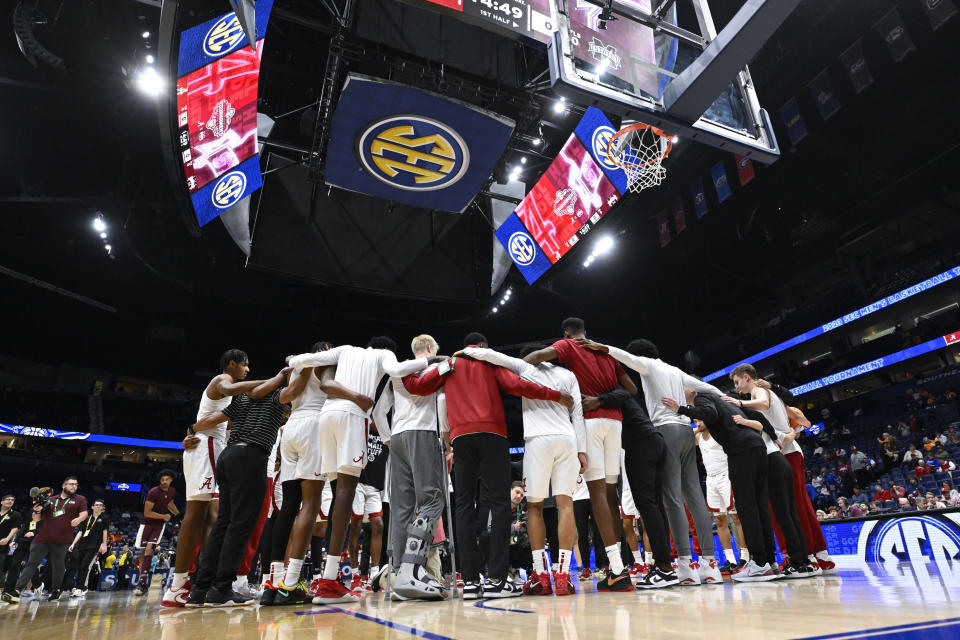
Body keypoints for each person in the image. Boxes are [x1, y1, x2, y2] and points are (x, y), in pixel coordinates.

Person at [403, 332, 573, 599]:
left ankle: (470, 581)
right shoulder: (490, 362)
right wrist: (555, 395)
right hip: (493, 435)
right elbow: (517, 386)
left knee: (463, 505)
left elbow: (418, 387)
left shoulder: (449, 365)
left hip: (461, 437)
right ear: (483, 347)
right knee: (499, 504)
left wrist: (429, 361)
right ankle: (496, 579)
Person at [286, 337, 440, 604]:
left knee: (336, 496)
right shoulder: (383, 355)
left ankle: (311, 579)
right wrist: (430, 361)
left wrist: (293, 361)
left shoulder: (345, 349)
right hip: (351, 416)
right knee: (345, 494)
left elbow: (304, 360)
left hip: (326, 417)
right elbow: (396, 370)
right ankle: (330, 581)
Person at [573, 337, 723, 586]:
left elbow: (630, 359)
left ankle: (683, 564)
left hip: (665, 430)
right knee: (696, 497)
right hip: (686, 431)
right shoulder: (675, 370)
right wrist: (729, 399)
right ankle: (710, 565)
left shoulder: (650, 366)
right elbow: (705, 387)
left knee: (672, 499)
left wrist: (605, 348)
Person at [522, 319, 639, 591]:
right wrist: (604, 397)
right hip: (616, 423)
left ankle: (618, 571)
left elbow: (535, 357)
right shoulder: (604, 350)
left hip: (590, 423)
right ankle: (615, 567)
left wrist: (528, 369)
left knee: (595, 495)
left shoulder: (568, 345)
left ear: (566, 333)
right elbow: (631, 390)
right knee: (612, 496)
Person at [461, 342, 586, 596]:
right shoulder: (568, 375)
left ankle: (541, 576)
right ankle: (563, 576)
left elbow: (488, 353)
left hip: (538, 441)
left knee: (534, 507)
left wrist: (464, 352)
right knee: (566, 505)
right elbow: (579, 412)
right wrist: (582, 450)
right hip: (567, 438)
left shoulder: (523, 366)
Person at [263, 341, 374, 607]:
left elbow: (284, 397)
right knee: (310, 505)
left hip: (289, 429)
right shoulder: (324, 364)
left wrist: (296, 365)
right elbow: (324, 387)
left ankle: (272, 583)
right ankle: (289, 584)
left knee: (288, 507)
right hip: (312, 425)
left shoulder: (297, 365)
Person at [162, 349, 265, 607]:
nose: (247, 370)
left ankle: (204, 582)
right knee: (196, 515)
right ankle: (177, 585)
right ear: (232, 364)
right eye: (245, 365)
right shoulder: (222, 380)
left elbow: (219, 420)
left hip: (209, 445)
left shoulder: (224, 395)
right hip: (206, 446)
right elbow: (232, 391)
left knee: (211, 517)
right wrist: (270, 381)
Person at [186, 367, 296, 607]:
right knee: (241, 525)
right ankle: (223, 588)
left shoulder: (243, 397)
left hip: (228, 457)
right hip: (251, 457)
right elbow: (296, 391)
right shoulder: (279, 395)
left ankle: (200, 589)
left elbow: (213, 420)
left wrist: (192, 429)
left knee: (222, 524)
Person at [663, 389, 778, 582]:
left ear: (691, 388)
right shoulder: (722, 400)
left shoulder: (703, 398)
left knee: (746, 509)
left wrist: (681, 409)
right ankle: (769, 561)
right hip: (756, 447)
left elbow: (709, 414)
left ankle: (758, 563)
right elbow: (756, 417)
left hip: (740, 452)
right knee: (759, 507)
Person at [374, 334, 450, 601]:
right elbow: (441, 402)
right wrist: (447, 436)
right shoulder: (435, 366)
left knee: (402, 508)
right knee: (432, 500)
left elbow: (377, 412)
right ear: (431, 349)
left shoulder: (399, 372)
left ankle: (396, 577)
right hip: (423, 433)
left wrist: (387, 439)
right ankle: (411, 568)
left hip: (397, 438)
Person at [751, 377, 838, 574]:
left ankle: (806, 555)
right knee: (798, 505)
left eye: (739, 382)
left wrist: (788, 434)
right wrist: (791, 432)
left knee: (790, 507)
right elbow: (804, 422)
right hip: (786, 453)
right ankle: (818, 555)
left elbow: (804, 422)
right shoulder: (774, 399)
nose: (738, 387)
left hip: (782, 454)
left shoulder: (762, 400)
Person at [10, 476, 88, 601]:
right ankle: (17, 591)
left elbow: (84, 513)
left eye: (76, 484)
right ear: (63, 485)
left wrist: (79, 519)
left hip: (62, 539)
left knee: (58, 566)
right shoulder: (51, 500)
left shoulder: (80, 499)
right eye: (71, 484)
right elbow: (37, 519)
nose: (74, 486)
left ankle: (56, 590)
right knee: (31, 563)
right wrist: (36, 512)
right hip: (42, 538)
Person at [695, 421, 747, 575]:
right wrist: (698, 427)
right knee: (719, 520)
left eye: (700, 420)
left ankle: (744, 558)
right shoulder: (697, 436)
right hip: (710, 479)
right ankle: (730, 561)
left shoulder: (720, 432)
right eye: (695, 420)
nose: (698, 423)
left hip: (726, 475)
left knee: (736, 517)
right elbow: (684, 438)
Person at [134, 470, 179, 596]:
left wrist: (180, 516)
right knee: (143, 552)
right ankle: (142, 580)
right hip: (146, 524)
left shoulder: (171, 491)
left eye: (167, 479)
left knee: (149, 550)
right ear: (160, 480)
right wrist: (164, 516)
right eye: (163, 479)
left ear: (171, 480)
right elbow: (147, 513)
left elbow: (170, 504)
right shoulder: (153, 492)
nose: (165, 481)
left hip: (158, 526)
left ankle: (142, 582)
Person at [64, 499, 109, 596]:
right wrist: (73, 544)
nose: (98, 506)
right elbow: (80, 532)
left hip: (94, 546)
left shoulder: (104, 519)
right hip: (82, 545)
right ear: (92, 507)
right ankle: (79, 588)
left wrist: (104, 544)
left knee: (84, 566)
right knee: (80, 567)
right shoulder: (86, 519)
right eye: (96, 505)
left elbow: (105, 532)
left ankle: (81, 588)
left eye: (100, 505)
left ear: (102, 508)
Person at [2, 503, 43, 602]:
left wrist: (34, 532)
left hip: (36, 542)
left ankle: (38, 584)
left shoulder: (47, 511)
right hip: (23, 542)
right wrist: (15, 541)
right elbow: (24, 526)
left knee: (31, 566)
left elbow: (47, 528)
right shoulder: (30, 510)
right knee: (14, 565)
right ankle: (8, 591)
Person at [0, 493, 22, 578]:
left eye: (12, 500)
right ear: (2, 502)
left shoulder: (16, 514)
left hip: (3, 543)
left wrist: (7, 539)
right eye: (8, 499)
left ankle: (1, 588)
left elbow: (16, 528)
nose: (10, 501)